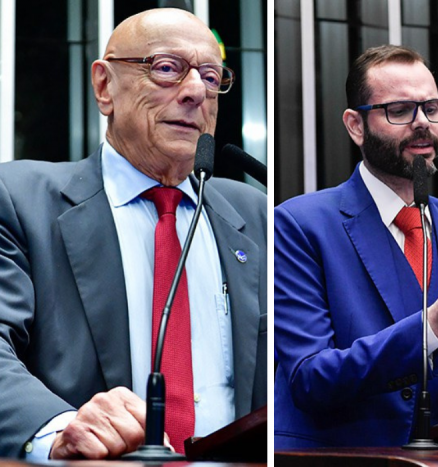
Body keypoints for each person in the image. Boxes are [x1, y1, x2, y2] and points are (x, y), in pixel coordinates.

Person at [0, 8, 269, 459]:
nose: (194, 92)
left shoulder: (254, 213)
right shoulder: (21, 200)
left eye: (211, 76)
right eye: (166, 69)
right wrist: (59, 429)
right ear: (105, 86)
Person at [274, 45, 438, 448]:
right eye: (400, 110)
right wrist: (432, 328)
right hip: (352, 457)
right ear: (355, 125)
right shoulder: (300, 225)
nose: (423, 124)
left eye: (432, 108)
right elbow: (310, 377)